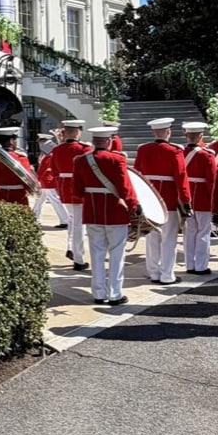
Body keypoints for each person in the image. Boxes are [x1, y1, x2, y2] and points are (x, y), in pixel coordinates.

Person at [73, 127, 141, 305]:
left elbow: (77, 191)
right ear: (109, 141)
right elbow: (125, 187)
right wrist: (134, 206)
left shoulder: (80, 160)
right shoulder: (117, 159)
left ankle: (98, 293)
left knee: (96, 254)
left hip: (93, 212)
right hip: (115, 212)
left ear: (94, 141)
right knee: (117, 254)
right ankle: (115, 294)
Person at [134, 117, 192, 285]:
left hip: (149, 200)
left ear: (154, 132)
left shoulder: (143, 150)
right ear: (168, 132)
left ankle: (153, 272)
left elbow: (137, 175)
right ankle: (167, 275)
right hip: (168, 200)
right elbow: (181, 179)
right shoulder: (174, 151)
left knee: (152, 238)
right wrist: (186, 201)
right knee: (169, 239)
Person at [49, 118, 91, 270]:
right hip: (80, 190)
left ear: (65, 132)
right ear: (78, 132)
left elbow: (54, 171)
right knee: (80, 225)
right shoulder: (84, 149)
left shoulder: (57, 150)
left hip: (65, 189)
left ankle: (71, 247)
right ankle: (78, 259)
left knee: (73, 221)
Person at [181, 121, 217, 275]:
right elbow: (212, 181)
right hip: (203, 198)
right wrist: (214, 202)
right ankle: (201, 266)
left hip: (187, 198)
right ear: (201, 136)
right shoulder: (207, 155)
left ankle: (190, 265)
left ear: (186, 135)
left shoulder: (179, 153)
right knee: (203, 232)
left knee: (189, 232)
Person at [0, 126, 36, 207]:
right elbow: (27, 179)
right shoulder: (21, 158)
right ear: (11, 141)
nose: (16, 142)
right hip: (18, 196)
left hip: (1, 195)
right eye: (15, 140)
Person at [32, 133, 69, 227]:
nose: (39, 144)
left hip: (48, 180)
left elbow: (47, 168)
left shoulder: (49, 154)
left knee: (54, 200)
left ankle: (65, 220)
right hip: (45, 180)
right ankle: (34, 218)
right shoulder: (44, 153)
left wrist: (38, 180)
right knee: (39, 200)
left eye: (41, 142)